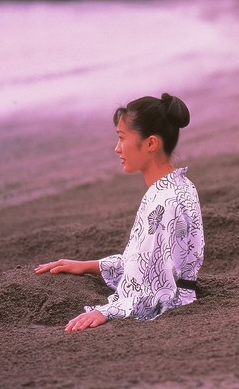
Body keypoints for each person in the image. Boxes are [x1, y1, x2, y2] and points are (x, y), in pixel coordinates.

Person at [35, 93, 204, 332]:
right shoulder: (180, 186)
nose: (117, 148)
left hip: (174, 301)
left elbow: (156, 289)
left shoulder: (165, 202)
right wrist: (90, 265)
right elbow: (145, 263)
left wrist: (106, 310)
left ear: (150, 144)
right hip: (179, 292)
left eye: (122, 138)